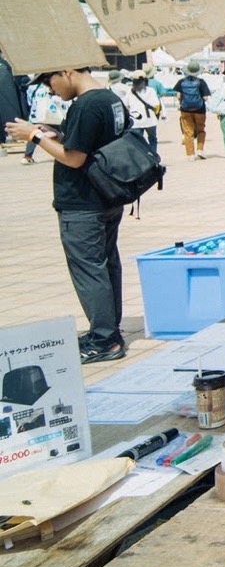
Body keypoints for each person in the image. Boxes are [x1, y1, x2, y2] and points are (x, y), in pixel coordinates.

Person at [5, 68, 131, 364]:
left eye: (49, 81)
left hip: (83, 202)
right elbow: (90, 143)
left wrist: (34, 136)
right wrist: (59, 135)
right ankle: (108, 329)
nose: (50, 90)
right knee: (105, 263)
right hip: (106, 197)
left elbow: (74, 158)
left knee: (89, 269)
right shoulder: (110, 99)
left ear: (67, 71)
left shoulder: (86, 105)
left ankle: (105, 340)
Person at [172, 60, 212, 159]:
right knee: (201, 130)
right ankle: (200, 150)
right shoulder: (201, 82)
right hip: (200, 110)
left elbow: (178, 96)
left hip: (185, 110)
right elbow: (206, 97)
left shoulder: (181, 82)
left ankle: (191, 154)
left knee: (188, 131)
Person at [22, 76, 67, 164]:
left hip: (37, 115)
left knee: (34, 133)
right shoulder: (53, 85)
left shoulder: (33, 87)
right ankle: (64, 153)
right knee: (60, 134)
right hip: (54, 115)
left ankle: (27, 156)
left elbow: (29, 100)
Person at [123, 74, 162, 153]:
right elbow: (156, 104)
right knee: (152, 139)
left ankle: (140, 156)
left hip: (136, 120)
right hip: (150, 119)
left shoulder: (131, 91)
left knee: (137, 141)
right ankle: (153, 156)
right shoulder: (150, 90)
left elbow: (125, 103)